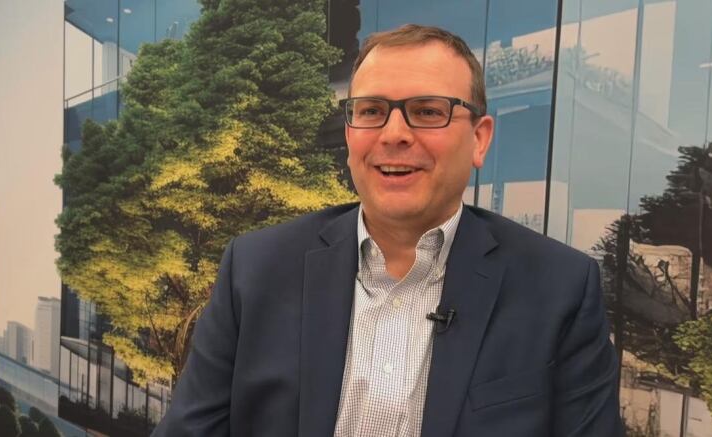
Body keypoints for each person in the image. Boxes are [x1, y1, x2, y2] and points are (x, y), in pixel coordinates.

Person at [153, 24, 624, 437]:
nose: (393, 133)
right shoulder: (254, 270)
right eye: (372, 110)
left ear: (479, 139)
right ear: (350, 133)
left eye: (427, 111)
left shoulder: (559, 288)